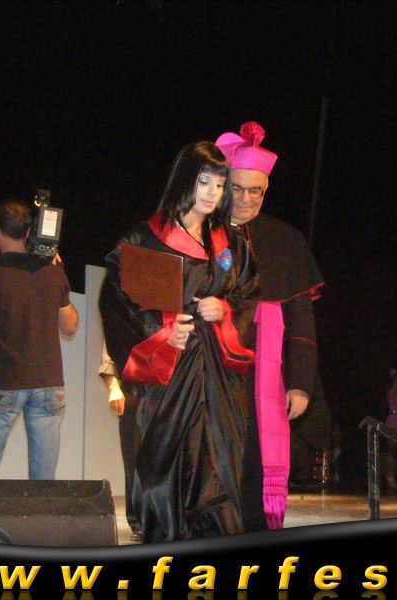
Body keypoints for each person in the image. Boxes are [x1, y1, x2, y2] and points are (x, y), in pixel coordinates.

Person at [99, 141, 259, 542]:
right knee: (164, 454)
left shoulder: (230, 242)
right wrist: (162, 328)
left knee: (218, 453)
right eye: (204, 182)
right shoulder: (145, 239)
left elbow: (248, 294)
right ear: (184, 180)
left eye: (219, 185)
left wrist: (224, 309)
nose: (212, 193)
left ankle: (215, 532)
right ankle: (164, 532)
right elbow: (117, 300)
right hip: (168, 368)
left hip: (217, 367)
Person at [215, 121, 325, 529]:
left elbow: (301, 320)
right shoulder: (201, 231)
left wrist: (300, 383)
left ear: (266, 190)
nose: (245, 199)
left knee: (255, 464)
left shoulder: (285, 239)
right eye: (237, 189)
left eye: (255, 191)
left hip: (263, 376)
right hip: (211, 369)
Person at [0, 199, 79, 480]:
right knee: (43, 476)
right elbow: (70, 326)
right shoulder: (53, 273)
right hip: (48, 382)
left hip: (2, 381)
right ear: (28, 233)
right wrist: (58, 274)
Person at [98, 342, 142, 542]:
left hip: (174, 390)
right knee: (134, 458)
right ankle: (140, 520)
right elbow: (110, 356)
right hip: (135, 390)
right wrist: (114, 387)